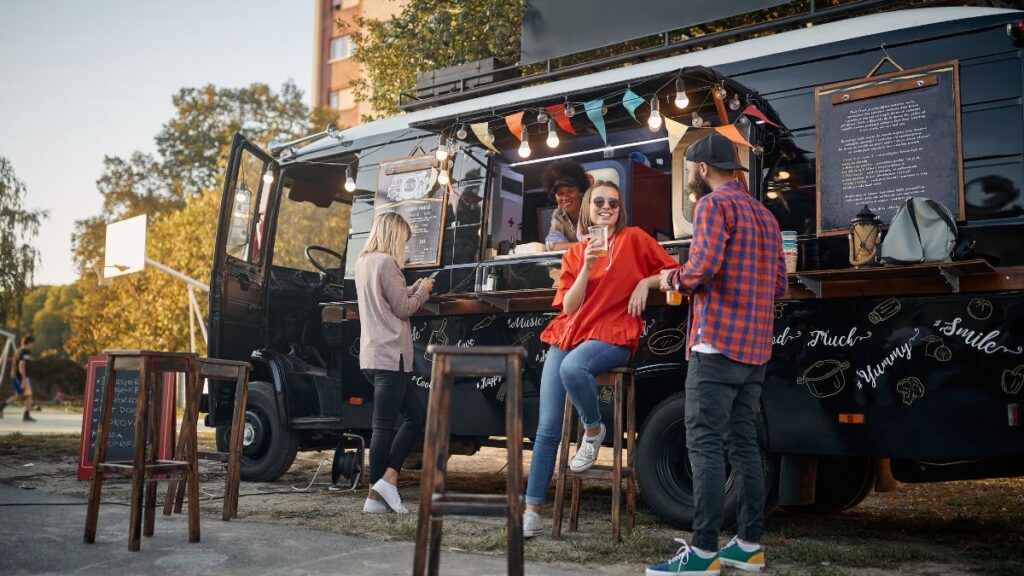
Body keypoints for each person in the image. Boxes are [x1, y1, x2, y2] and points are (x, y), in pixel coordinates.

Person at [647, 133, 786, 575]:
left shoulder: (713, 206)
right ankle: (748, 545)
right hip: (754, 349)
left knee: (704, 443)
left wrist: (672, 280)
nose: (689, 175)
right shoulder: (766, 216)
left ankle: (703, 552)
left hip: (717, 343)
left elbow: (702, 268)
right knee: (743, 444)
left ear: (703, 168)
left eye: (689, 168)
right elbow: (780, 285)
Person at [523, 181, 679, 537]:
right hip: (571, 330)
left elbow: (674, 273)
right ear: (587, 209)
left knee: (572, 368)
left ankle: (593, 430)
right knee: (546, 428)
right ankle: (531, 509)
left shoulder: (634, 239)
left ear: (620, 209)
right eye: (599, 202)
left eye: (613, 202)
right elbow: (568, 306)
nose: (606, 207)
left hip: (613, 333)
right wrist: (585, 267)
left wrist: (646, 284)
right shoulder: (575, 253)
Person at [355, 211, 434, 514]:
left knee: (412, 416)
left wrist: (414, 287)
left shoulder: (364, 263)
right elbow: (402, 309)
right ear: (394, 234)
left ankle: (386, 481)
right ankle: (377, 495)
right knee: (386, 427)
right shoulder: (387, 263)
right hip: (392, 357)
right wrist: (423, 293)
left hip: (372, 356)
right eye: (403, 239)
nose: (404, 246)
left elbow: (389, 300)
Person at [542, 159, 590, 251]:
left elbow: (599, 244)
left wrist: (566, 246)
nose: (565, 197)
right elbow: (552, 246)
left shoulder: (591, 208)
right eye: (560, 193)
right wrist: (583, 245)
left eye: (570, 191)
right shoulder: (558, 213)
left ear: (580, 192)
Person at [1, 335, 37, 422]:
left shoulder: (18, 351)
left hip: (15, 376)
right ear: (29, 343)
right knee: (25, 395)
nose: (33, 346)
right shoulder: (25, 352)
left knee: (22, 395)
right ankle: (26, 415)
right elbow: (21, 365)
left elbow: (16, 364)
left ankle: (2, 406)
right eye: (32, 344)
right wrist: (24, 380)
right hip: (20, 377)